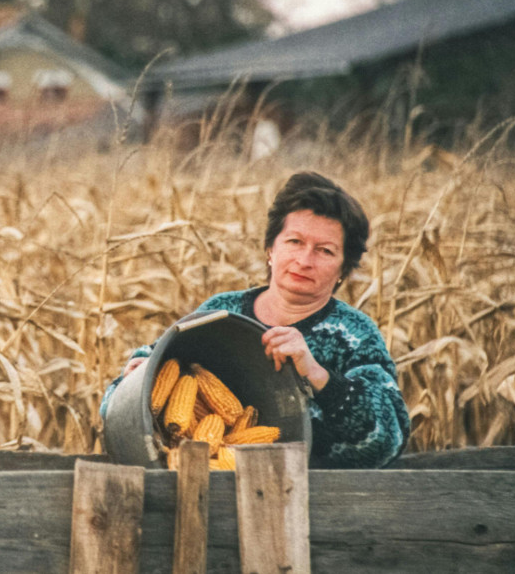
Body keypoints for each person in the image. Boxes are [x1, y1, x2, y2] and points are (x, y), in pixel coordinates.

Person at [101, 172, 410, 468]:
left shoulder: (354, 335)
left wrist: (319, 376)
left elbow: (387, 443)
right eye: (294, 242)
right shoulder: (223, 311)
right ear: (270, 249)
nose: (304, 260)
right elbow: (120, 403)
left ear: (344, 269)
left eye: (325, 251)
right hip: (210, 486)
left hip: (311, 502)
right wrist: (134, 380)